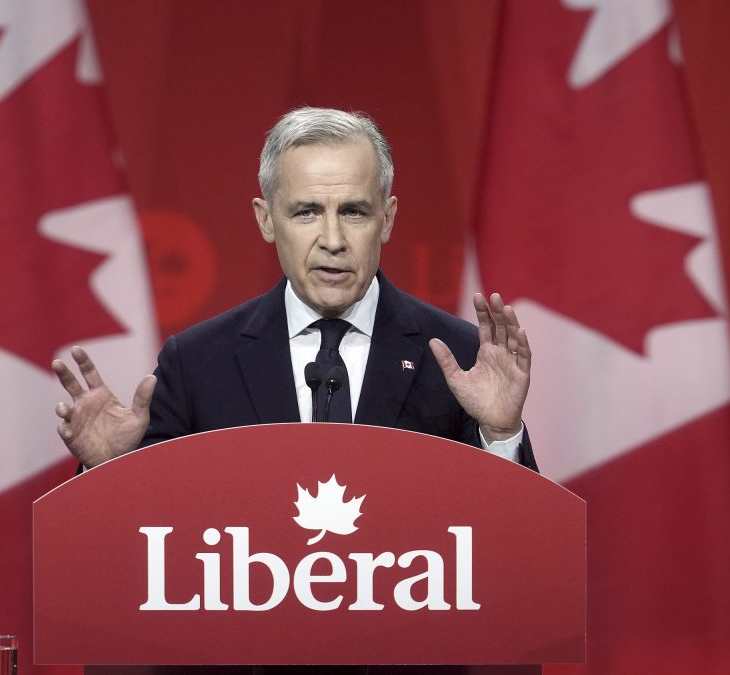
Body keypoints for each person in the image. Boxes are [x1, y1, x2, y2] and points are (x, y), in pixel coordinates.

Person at [52, 107, 536, 472]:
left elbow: (507, 547)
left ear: (386, 220)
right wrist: (107, 470)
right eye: (306, 212)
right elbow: (151, 540)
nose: (332, 240)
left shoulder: (457, 355)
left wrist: (500, 434)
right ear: (267, 220)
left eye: (353, 211)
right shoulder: (198, 363)